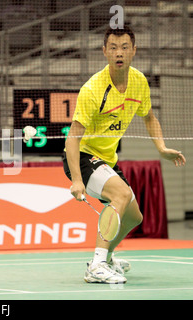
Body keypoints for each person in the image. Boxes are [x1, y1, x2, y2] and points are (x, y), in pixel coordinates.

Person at [63, 26, 186, 284]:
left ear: (134, 51)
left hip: (107, 159)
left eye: (125, 47)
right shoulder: (93, 89)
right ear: (104, 51)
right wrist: (76, 179)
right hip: (83, 156)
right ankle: (96, 265)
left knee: (134, 216)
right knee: (120, 193)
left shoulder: (139, 82)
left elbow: (150, 117)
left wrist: (162, 149)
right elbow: (72, 138)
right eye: (114, 47)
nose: (119, 53)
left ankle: (106, 257)